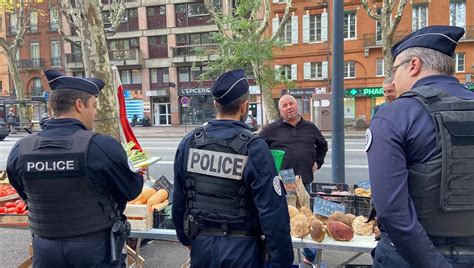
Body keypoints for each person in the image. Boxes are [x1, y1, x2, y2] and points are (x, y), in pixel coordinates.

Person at [6, 70, 144, 268]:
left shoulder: (21, 149)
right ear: (79, 105)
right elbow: (131, 190)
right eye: (94, 105)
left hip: (45, 249)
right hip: (93, 249)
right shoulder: (101, 146)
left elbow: (24, 193)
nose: (96, 112)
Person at [366, 25, 474, 268]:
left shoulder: (394, 116)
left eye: (394, 70)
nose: (393, 80)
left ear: (413, 65)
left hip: (411, 258)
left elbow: (393, 213)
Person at [172, 69, 294, 267]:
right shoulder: (254, 147)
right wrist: (281, 262)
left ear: (215, 104)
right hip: (244, 251)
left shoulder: (189, 143)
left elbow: (178, 200)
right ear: (244, 107)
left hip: (202, 247)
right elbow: (273, 214)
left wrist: (187, 240)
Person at [260, 94, 328, 264]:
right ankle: (284, 257)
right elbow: (257, 147)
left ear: (297, 106)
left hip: (304, 180)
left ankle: (310, 256)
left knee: (307, 219)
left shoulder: (310, 127)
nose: (289, 107)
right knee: (285, 221)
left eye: (291, 103)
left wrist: (317, 163)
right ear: (280, 110)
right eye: (284, 105)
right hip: (283, 181)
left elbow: (323, 146)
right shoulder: (271, 129)